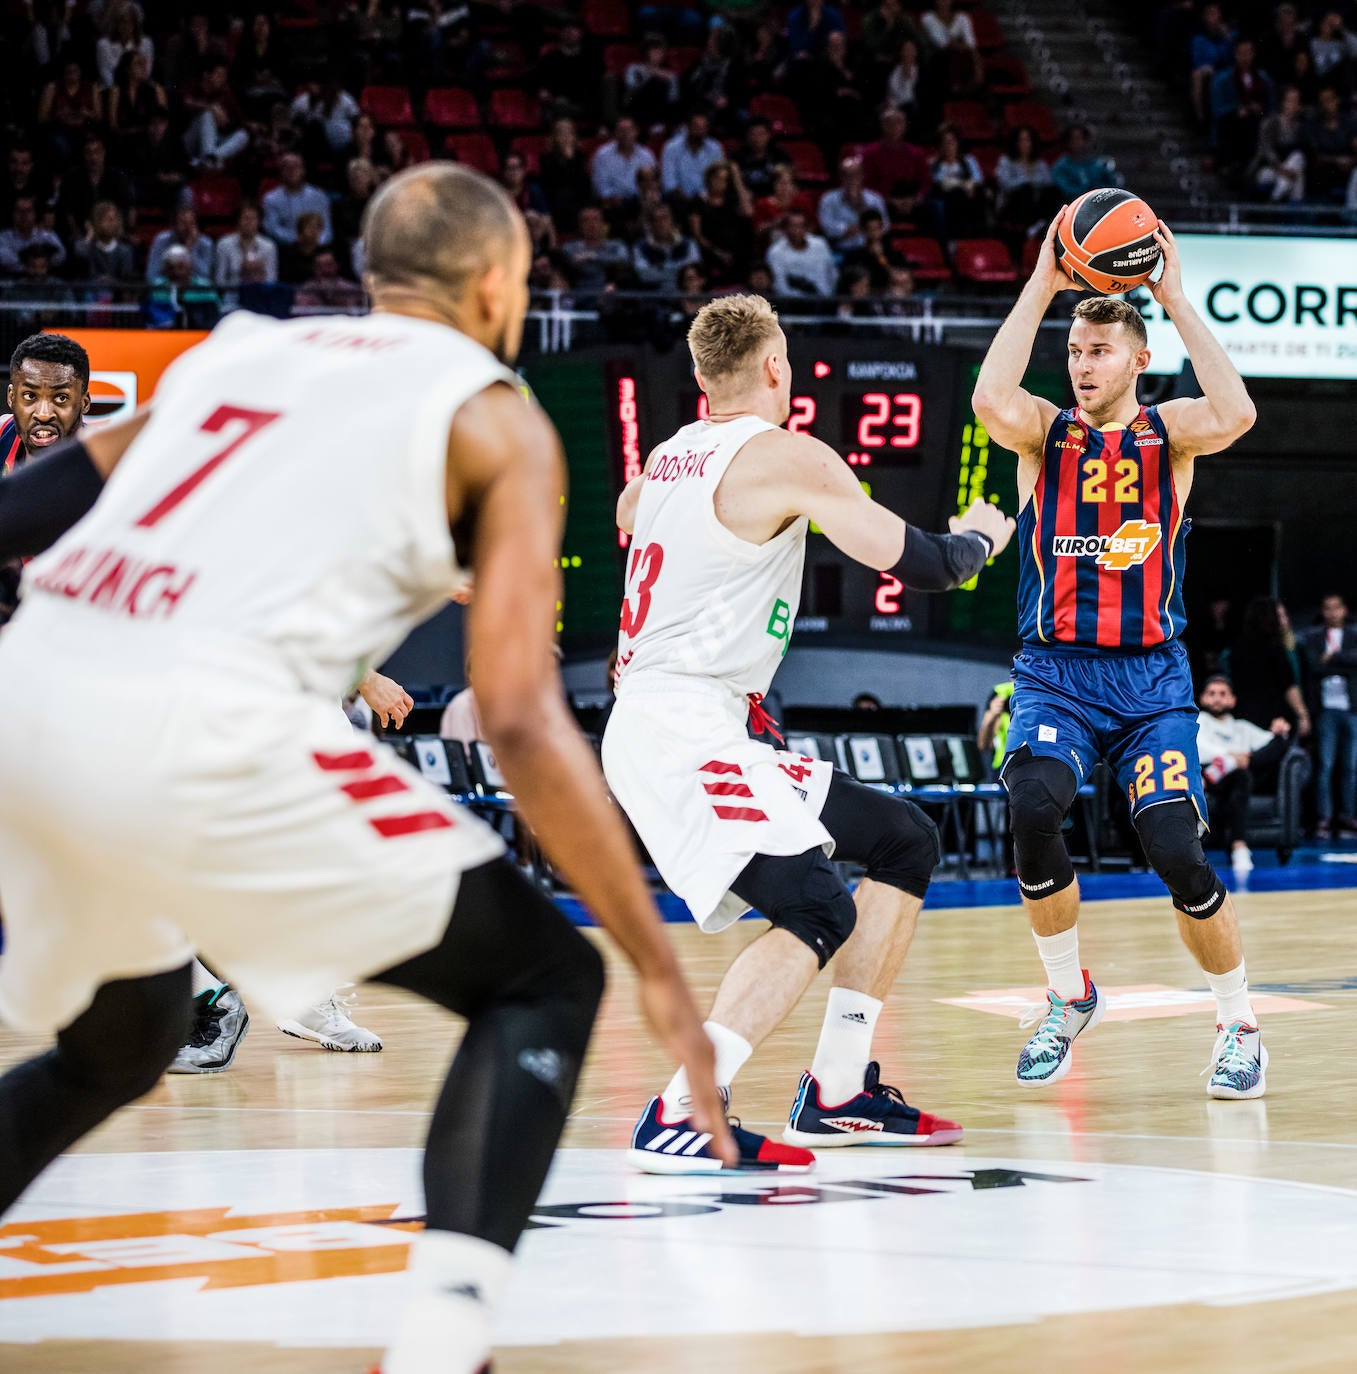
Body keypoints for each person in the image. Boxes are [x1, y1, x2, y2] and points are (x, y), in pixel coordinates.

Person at [0, 162, 730, 1374]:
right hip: (201, 724)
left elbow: (27, 510)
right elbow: (520, 717)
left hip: (29, 695)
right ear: (499, 282)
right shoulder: (495, 415)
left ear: (373, 271)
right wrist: (653, 962)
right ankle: (447, 1344)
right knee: (545, 980)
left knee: (129, 1037)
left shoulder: (232, 354)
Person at [605, 292, 1016, 1173]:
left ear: (702, 378)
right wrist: (982, 534)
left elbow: (628, 512)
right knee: (815, 904)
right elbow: (930, 565)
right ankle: (685, 1107)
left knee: (903, 839)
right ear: (774, 368)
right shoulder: (785, 456)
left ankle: (836, 1089)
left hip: (689, 718)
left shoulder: (667, 457)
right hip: (683, 725)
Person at [972, 210, 1268, 1099]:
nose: (1080, 364)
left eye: (1099, 350)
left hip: (1147, 680)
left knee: (1176, 848)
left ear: (1136, 360)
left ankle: (1238, 1023)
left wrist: (1173, 298)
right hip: (1056, 673)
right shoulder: (1041, 433)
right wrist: (1040, 286)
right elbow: (989, 398)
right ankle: (1067, 996)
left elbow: (1238, 411)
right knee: (1030, 806)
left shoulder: (1168, 434)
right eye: (1073, 349)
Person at [0, 334, 90, 626]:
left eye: (61, 398)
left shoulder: (109, 468)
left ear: (84, 402)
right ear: (12, 397)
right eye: (30, 396)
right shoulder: (2, 433)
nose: (43, 413)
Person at [1196, 674, 1291, 874]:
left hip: (1235, 782)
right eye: (1211, 693)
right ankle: (1237, 846)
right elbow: (1198, 749)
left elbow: (1271, 743)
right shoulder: (1197, 721)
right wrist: (1230, 756)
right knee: (1228, 771)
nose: (1217, 698)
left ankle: (1239, 846)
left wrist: (1280, 730)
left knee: (1242, 775)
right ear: (1203, 698)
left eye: (1223, 694)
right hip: (1204, 776)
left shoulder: (1242, 728)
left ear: (1232, 700)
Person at [1299, 592, 1357, 837]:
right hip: (1325, 710)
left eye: (1336, 607)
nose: (1332, 612)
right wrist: (1342, 663)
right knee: (1325, 764)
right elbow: (1313, 666)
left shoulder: (1354, 635)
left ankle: (1347, 816)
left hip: (1351, 708)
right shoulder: (1312, 636)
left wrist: (1332, 657)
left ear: (1344, 610)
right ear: (1322, 612)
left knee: (1350, 766)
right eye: (1327, 608)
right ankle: (1324, 817)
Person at [1219, 596, 1309, 742]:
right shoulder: (1275, 648)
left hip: (1242, 716)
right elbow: (1289, 685)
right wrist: (1302, 715)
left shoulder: (1236, 649)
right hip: (1274, 718)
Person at [262, 153, 333, 246]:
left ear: (303, 170)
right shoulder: (271, 199)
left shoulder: (319, 196)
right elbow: (273, 229)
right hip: (287, 248)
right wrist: (298, 240)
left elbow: (326, 229)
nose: (291, 171)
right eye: (287, 167)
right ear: (281, 172)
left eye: (296, 166)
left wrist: (317, 242)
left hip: (317, 247)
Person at [766, 208, 837, 297]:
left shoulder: (820, 245)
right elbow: (779, 286)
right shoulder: (775, 252)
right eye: (793, 226)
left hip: (824, 299)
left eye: (801, 226)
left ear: (807, 228)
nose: (797, 230)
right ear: (785, 229)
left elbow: (832, 273)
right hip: (792, 303)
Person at [1050, 124, 1119, 200]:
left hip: (1100, 202)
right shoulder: (1061, 166)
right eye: (1074, 139)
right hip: (1072, 204)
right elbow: (1066, 190)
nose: (1078, 142)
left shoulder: (1098, 164)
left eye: (1082, 138)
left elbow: (1112, 186)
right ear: (1067, 141)